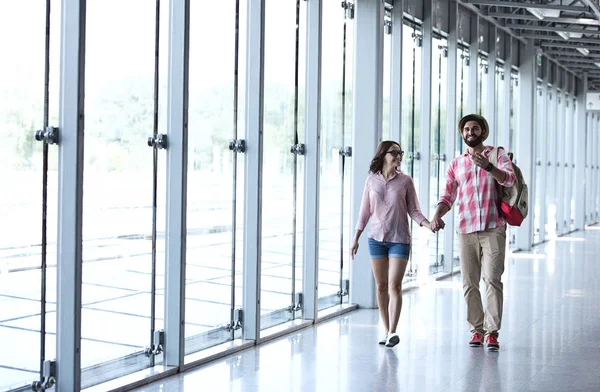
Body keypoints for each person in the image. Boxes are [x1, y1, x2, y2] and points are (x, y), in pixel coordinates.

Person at [429, 114, 515, 351]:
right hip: (465, 230)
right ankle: (476, 330)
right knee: (469, 283)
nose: (470, 132)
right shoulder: (456, 164)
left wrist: (488, 167)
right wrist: (437, 215)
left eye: (475, 128)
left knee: (493, 280)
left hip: (493, 227)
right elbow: (448, 196)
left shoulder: (498, 154)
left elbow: (509, 179)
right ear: (462, 134)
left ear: (483, 132)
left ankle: (492, 332)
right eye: (466, 129)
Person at [350, 140, 432, 348]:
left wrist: (427, 224)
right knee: (381, 286)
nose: (398, 156)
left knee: (395, 285)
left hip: (399, 239)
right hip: (376, 239)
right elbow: (364, 212)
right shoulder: (371, 181)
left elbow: (413, 209)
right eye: (394, 152)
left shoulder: (405, 181)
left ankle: (393, 331)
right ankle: (386, 330)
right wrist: (356, 238)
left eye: (400, 153)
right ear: (383, 155)